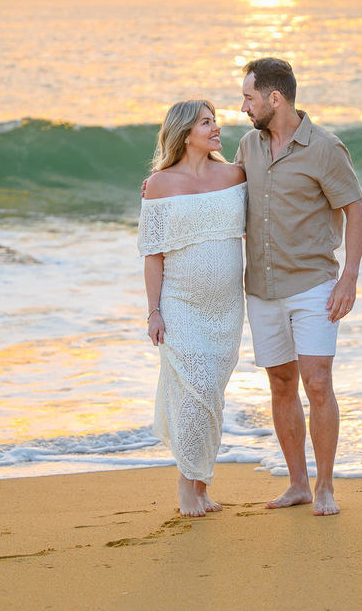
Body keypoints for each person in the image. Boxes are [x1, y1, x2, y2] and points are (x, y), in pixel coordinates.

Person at [235, 57, 362, 516]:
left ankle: (326, 485)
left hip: (313, 283)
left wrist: (348, 277)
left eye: (249, 97)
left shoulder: (325, 147)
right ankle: (297, 484)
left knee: (317, 380)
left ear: (275, 98)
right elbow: (222, 193)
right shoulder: (248, 145)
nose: (244, 106)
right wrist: (163, 182)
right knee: (281, 382)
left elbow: (356, 210)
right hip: (262, 286)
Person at [138, 99, 247, 517]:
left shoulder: (236, 176)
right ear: (185, 132)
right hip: (180, 303)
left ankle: (203, 485)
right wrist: (154, 311)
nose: (216, 127)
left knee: (211, 396)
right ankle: (187, 485)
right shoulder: (160, 184)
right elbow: (153, 253)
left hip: (226, 308)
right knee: (194, 389)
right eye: (206, 122)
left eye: (215, 120)